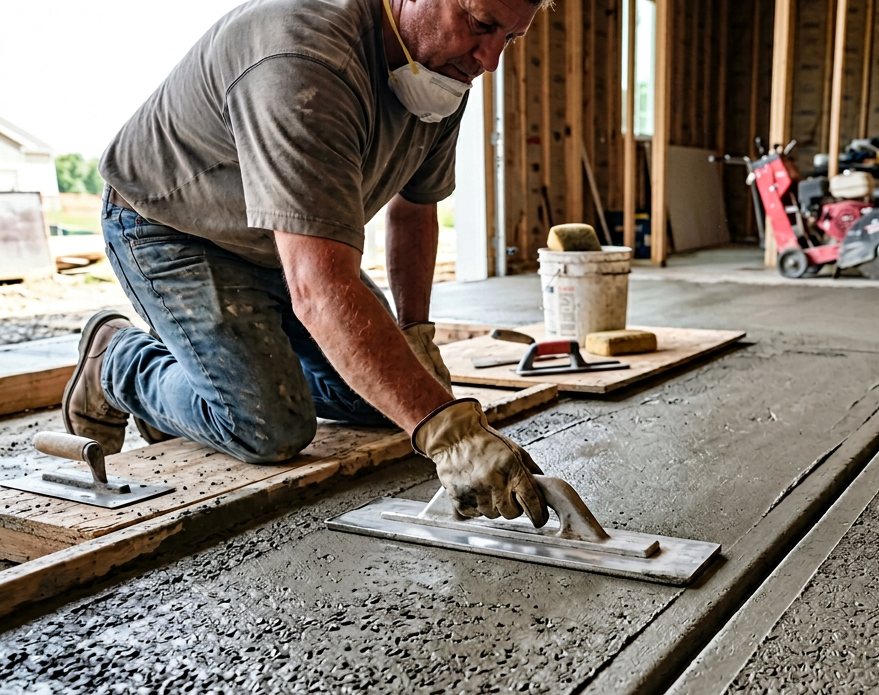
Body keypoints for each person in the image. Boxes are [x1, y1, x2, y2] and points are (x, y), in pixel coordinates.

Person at [63, 0, 549, 526]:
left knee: (382, 403)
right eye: (481, 25)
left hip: (289, 240)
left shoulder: (439, 74)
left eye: (510, 38)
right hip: (176, 228)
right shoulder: (304, 57)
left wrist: (414, 333)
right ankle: (116, 360)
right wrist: (446, 432)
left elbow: (415, 210)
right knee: (268, 427)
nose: (491, 58)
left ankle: (220, 371)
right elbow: (319, 289)